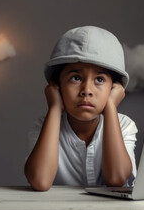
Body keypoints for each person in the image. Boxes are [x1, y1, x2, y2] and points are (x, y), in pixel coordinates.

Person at [24, 26, 138, 191]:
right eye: (76, 78)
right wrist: (55, 107)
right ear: (57, 86)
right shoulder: (44, 126)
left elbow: (116, 179)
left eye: (99, 79)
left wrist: (111, 106)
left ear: (113, 88)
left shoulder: (124, 125)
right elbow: (40, 181)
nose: (87, 90)